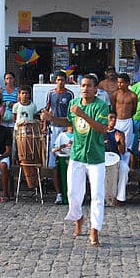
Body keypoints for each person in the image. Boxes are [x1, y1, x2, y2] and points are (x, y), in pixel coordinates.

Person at [42, 74, 109, 246]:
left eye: (89, 86)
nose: (85, 89)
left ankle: (95, 230)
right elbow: (68, 121)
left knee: (97, 195)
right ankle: (78, 216)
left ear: (95, 89)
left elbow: (102, 128)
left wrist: (83, 115)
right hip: (77, 155)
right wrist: (52, 119)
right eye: (83, 86)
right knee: (72, 192)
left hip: (95, 157)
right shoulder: (73, 104)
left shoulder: (101, 106)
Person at [44, 71, 75, 204]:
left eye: (62, 80)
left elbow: (71, 113)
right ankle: (58, 192)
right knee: (54, 158)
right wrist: (44, 125)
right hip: (54, 128)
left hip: (66, 127)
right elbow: (46, 109)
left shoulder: (69, 94)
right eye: (58, 80)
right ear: (54, 81)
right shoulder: (51, 93)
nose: (60, 82)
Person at [112, 73, 138, 164]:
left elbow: (134, 109)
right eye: (118, 82)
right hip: (117, 121)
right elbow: (113, 107)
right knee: (116, 142)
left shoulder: (133, 95)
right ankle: (116, 163)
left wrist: (128, 117)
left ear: (127, 83)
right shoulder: (115, 94)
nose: (119, 84)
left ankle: (125, 165)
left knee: (127, 144)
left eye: (121, 83)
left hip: (127, 121)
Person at [105, 110, 129, 206]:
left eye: (115, 118)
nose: (113, 120)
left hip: (116, 159)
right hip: (102, 159)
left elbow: (122, 151)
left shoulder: (120, 133)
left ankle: (120, 197)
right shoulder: (99, 132)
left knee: (124, 168)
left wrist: (118, 142)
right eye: (111, 117)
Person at [51, 125, 74, 205]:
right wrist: (61, 147)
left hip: (74, 158)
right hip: (62, 157)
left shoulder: (78, 136)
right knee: (58, 173)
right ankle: (61, 195)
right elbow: (53, 150)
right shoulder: (61, 136)